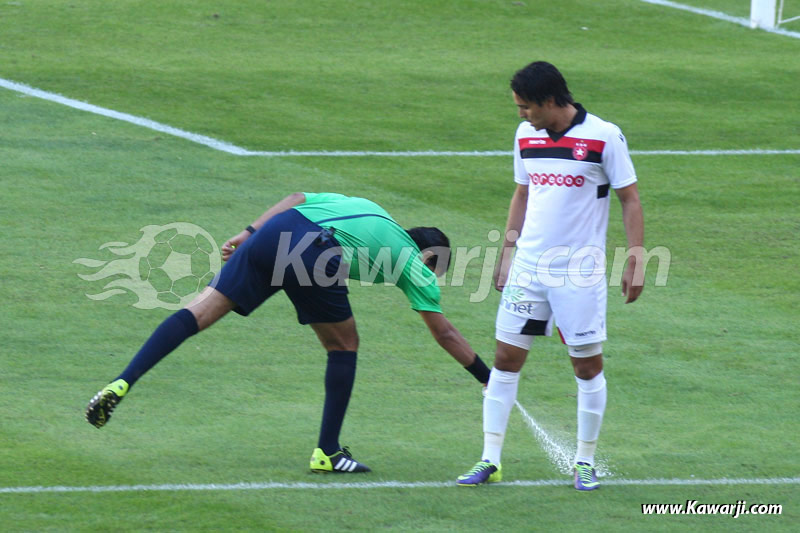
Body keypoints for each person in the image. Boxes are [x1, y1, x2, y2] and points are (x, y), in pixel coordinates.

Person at [86, 192, 491, 473]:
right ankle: (328, 452)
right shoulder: (416, 265)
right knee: (344, 344)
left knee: (202, 310)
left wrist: (249, 231)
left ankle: (122, 381)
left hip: (275, 230)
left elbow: (297, 197)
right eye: (437, 269)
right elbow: (445, 333)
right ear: (429, 256)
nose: (432, 277)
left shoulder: (371, 209)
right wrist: (488, 379)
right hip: (315, 249)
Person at [457, 61, 644, 490]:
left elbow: (629, 199)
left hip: (579, 274)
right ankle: (489, 458)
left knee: (586, 365)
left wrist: (636, 258)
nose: (520, 114)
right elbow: (522, 192)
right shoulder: (526, 135)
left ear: (549, 101)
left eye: (525, 107)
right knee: (505, 360)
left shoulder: (603, 136)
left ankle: (584, 461)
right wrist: (507, 251)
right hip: (529, 268)